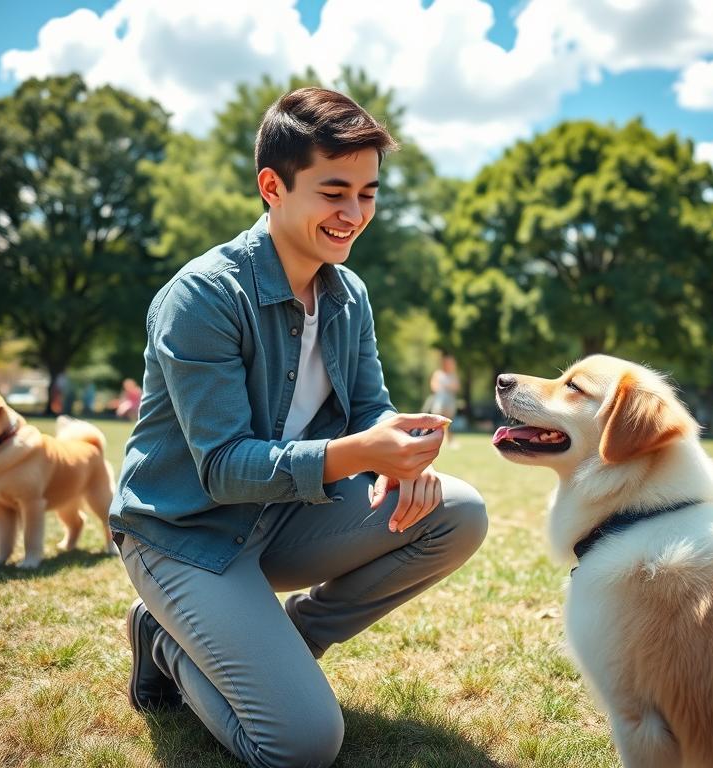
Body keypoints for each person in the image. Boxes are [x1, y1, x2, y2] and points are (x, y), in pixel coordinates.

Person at [108, 88, 487, 768]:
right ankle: (166, 641)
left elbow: (369, 404)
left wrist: (401, 456)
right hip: (184, 534)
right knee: (301, 746)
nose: (353, 214)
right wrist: (358, 453)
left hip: (279, 519)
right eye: (333, 191)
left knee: (457, 512)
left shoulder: (349, 294)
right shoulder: (203, 296)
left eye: (368, 194)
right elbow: (222, 467)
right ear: (272, 187)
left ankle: (284, 644)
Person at [428, 352, 459, 444]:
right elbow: (433, 386)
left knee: (448, 422)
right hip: (439, 400)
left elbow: (456, 387)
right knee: (437, 421)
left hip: (450, 401)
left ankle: (449, 440)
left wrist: (448, 387)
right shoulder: (438, 374)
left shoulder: (453, 375)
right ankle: (435, 439)